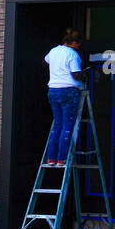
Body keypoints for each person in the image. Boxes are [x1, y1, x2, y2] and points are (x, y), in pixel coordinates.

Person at [44, 27, 85, 168]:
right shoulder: (73, 54)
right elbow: (75, 74)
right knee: (68, 126)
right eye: (78, 44)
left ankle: (51, 158)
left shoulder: (54, 51)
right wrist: (84, 74)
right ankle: (62, 159)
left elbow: (45, 62)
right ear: (74, 42)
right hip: (68, 90)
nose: (78, 47)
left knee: (57, 124)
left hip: (53, 90)